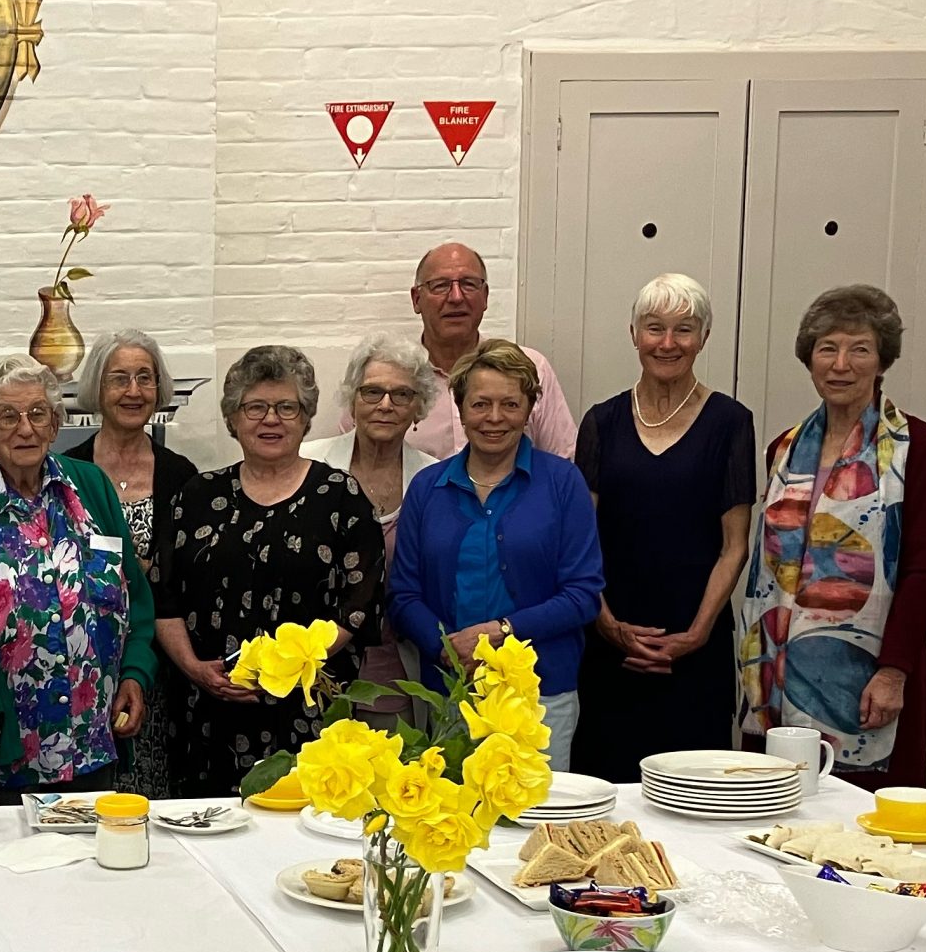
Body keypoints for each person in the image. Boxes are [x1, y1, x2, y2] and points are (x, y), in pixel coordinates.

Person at [736, 284, 926, 790]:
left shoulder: (918, 447)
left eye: (859, 349)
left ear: (882, 361)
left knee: (864, 829)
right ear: (809, 359)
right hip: (776, 676)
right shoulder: (782, 450)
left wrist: (894, 671)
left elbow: (924, 570)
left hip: (871, 674)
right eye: (827, 348)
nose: (841, 364)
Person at [0, 358, 155, 795]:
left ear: (55, 424)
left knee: (92, 856)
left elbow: (134, 599)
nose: (24, 429)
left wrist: (135, 674)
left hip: (92, 736)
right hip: (4, 740)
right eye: (7, 416)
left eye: (37, 414)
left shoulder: (92, 488)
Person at [155, 346, 385, 792]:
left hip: (304, 712)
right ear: (233, 419)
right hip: (205, 711)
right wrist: (195, 667)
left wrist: (283, 672)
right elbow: (164, 599)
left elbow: (357, 607)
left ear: (306, 417)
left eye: (286, 407)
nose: (271, 419)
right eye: (255, 407)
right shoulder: (195, 496)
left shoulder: (341, 497)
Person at [572, 275, 759, 780]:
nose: (668, 343)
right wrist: (608, 625)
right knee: (605, 789)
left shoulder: (731, 422)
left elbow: (734, 547)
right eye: (655, 328)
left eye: (685, 329)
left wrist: (694, 636)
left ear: (703, 338)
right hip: (611, 646)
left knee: (696, 789)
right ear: (634, 334)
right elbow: (579, 542)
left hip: (696, 649)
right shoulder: (601, 422)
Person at [389, 341, 604, 769]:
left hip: (541, 696)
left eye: (510, 404)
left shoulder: (563, 483)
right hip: (452, 691)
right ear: (461, 407)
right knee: (451, 823)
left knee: (536, 821)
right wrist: (450, 651)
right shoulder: (427, 488)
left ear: (529, 410)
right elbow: (402, 595)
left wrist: (501, 630)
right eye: (480, 404)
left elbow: (584, 594)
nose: (494, 418)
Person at [63, 329, 194, 794]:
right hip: (78, 662)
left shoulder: (182, 474)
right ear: (98, 389)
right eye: (120, 379)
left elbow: (187, 572)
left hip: (156, 658)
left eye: (145, 378)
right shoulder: (66, 471)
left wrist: (144, 576)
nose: (134, 391)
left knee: (150, 793)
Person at [304, 330, 436, 703]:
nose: (385, 404)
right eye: (372, 391)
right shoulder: (310, 465)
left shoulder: (434, 480)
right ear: (353, 399)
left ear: (418, 408)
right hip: (317, 668)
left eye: (402, 394)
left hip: (401, 671)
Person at [358, 242, 577, 461]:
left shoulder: (531, 368)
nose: (456, 297)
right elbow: (353, 462)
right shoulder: (387, 377)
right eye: (440, 285)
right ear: (417, 299)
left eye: (469, 284)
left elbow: (564, 461)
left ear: (485, 296)